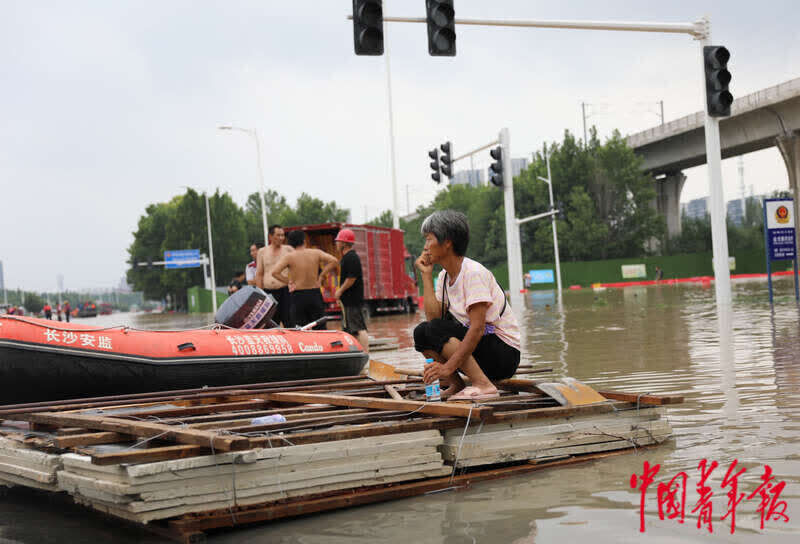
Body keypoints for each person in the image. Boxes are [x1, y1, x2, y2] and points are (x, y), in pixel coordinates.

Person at [413, 210, 521, 401]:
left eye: (429, 239)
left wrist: (447, 367)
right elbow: (433, 320)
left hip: (503, 354)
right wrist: (426, 275)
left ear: (447, 242)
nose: (425, 247)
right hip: (481, 349)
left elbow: (478, 328)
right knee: (422, 332)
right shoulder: (444, 276)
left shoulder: (472, 273)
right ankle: (456, 384)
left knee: (436, 329)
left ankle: (483, 385)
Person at [272, 230, 338, 330]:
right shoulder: (315, 253)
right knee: (320, 328)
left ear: (290, 243)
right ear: (304, 240)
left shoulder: (289, 257)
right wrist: (321, 276)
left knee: (300, 329)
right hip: (314, 293)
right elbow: (334, 261)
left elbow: (275, 272)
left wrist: (288, 282)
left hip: (298, 295)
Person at [334, 228, 369, 352]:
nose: (336, 244)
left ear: (344, 243)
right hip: (348, 300)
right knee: (350, 329)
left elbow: (351, 279)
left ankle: (365, 355)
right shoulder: (346, 258)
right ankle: (357, 353)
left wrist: (340, 291)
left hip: (353, 300)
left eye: (338, 241)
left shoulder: (351, 257)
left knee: (359, 328)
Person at [256, 225, 294, 327]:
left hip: (285, 291)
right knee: (270, 324)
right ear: (270, 236)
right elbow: (259, 274)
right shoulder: (262, 252)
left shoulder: (289, 250)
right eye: (278, 235)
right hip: (269, 292)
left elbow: (296, 268)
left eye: (283, 235)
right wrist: (261, 294)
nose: (281, 238)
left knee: (289, 322)